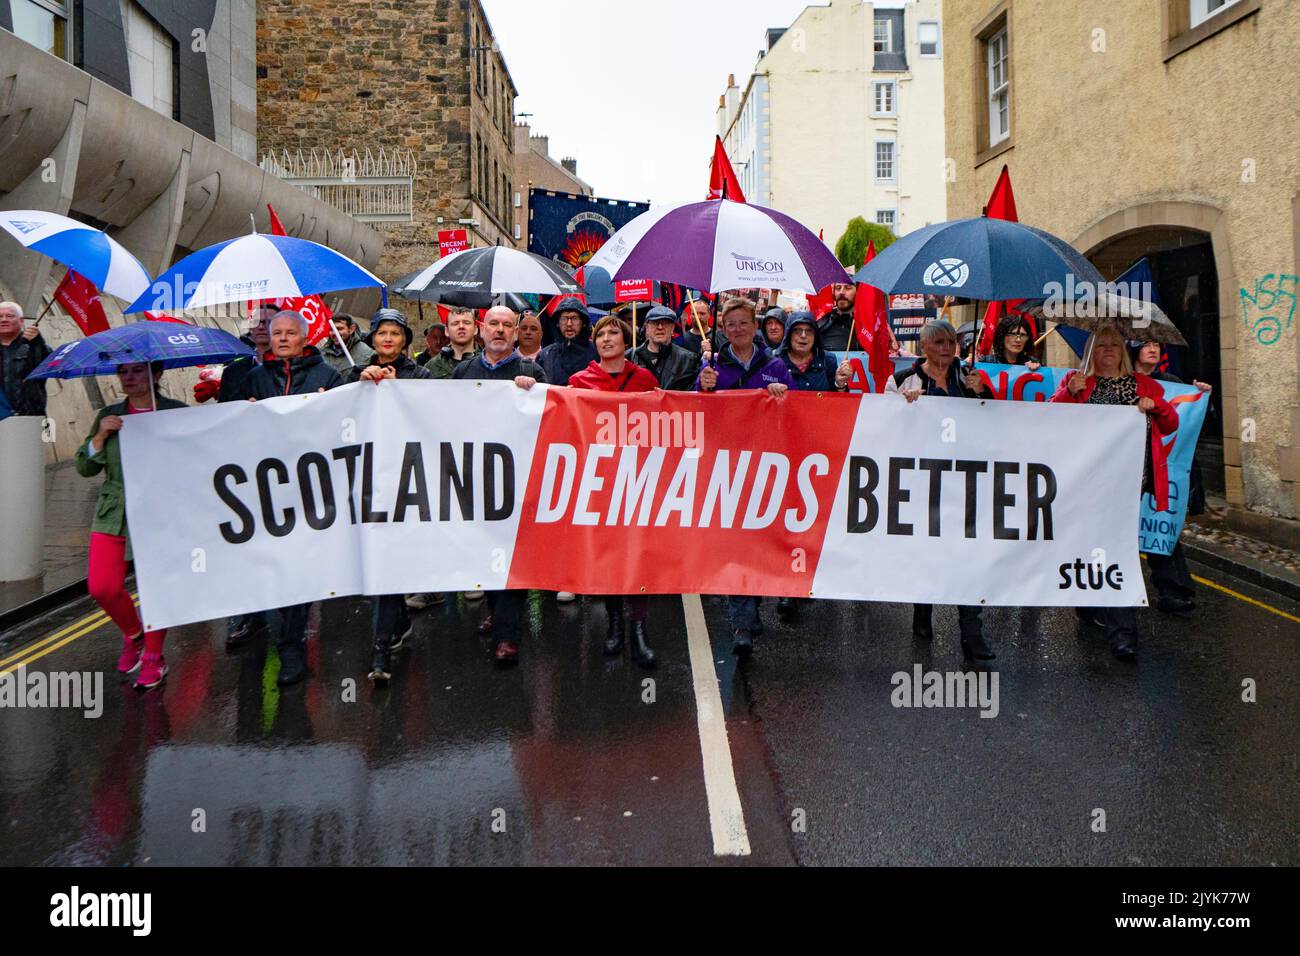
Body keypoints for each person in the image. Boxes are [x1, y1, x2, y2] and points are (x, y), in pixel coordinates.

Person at [1051, 325, 1179, 661]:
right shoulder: (1076, 381)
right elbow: (1050, 418)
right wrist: (1069, 393)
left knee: (1118, 550)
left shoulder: (1143, 384)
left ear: (1122, 350)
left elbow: (1171, 424)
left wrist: (1156, 407)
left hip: (1130, 484)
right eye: (1101, 344)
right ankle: (1089, 603)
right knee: (1093, 546)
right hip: (1089, 483)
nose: (1108, 349)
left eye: (1114, 344)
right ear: (1091, 352)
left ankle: (1123, 634)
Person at [239, 310, 345, 685]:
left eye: (289, 333)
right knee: (273, 568)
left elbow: (345, 428)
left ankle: (292, 650)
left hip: (311, 489)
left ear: (303, 337)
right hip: (267, 490)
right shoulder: (254, 378)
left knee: (298, 571)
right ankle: (271, 628)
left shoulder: (328, 377)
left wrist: (328, 408)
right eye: (276, 332)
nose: (282, 338)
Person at [886, 320, 995, 663]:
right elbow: (882, 423)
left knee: (968, 554)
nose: (947, 348)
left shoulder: (969, 377)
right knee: (929, 551)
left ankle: (971, 633)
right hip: (923, 482)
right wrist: (904, 406)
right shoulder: (904, 379)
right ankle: (923, 607)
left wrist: (983, 394)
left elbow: (998, 423)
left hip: (964, 481)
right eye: (939, 343)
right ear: (924, 347)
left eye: (951, 342)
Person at [76, 361, 186, 690]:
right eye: (124, 372)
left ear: (156, 375)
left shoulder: (175, 412)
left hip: (160, 510)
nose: (130, 378)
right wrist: (100, 436)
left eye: (138, 371)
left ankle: (154, 656)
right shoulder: (109, 414)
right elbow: (84, 468)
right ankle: (135, 636)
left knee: (155, 587)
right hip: (115, 511)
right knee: (102, 586)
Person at [696, 298, 794, 655]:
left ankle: (751, 604)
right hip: (725, 467)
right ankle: (741, 622)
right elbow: (697, 413)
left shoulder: (776, 366)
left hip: (766, 466)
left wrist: (783, 396)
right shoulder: (711, 366)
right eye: (730, 324)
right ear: (723, 330)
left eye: (743, 323)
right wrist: (702, 388)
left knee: (760, 542)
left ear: (755, 326)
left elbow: (799, 413)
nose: (737, 329)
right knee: (734, 544)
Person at [453, 306, 547, 664]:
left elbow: (549, 414)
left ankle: (508, 635)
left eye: (509, 325)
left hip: (518, 479)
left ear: (515, 333)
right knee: (485, 550)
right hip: (475, 477)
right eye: (494, 323)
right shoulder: (464, 372)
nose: (500, 330)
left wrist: (534, 392)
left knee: (513, 554)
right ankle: (496, 609)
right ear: (482, 329)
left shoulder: (530, 370)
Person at [568, 314, 661, 667]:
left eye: (613, 333)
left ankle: (639, 629)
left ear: (626, 341)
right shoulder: (579, 381)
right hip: (600, 481)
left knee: (637, 556)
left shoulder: (644, 379)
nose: (607, 339)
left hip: (637, 479)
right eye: (601, 334)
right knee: (607, 554)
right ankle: (615, 625)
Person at [345, 309, 433, 684]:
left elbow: (435, 416)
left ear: (404, 341)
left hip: (409, 477)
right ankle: (381, 647)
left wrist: (404, 393)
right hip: (370, 478)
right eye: (381, 333)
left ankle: (390, 631)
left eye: (395, 333)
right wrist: (360, 387)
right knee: (380, 556)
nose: (387, 339)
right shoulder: (354, 376)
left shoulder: (422, 376)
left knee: (396, 554)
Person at [1131, 340, 1212, 615]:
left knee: (1159, 527)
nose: (1153, 349)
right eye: (1146, 345)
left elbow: (1198, 421)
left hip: (1158, 468)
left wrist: (1202, 397)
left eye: (1157, 345)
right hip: (1127, 467)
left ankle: (1174, 591)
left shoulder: (1171, 382)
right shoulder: (1122, 380)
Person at [219, 306, 278, 647]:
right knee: (244, 541)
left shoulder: (288, 369)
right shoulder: (236, 370)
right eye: (256, 321)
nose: (260, 327)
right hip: (243, 469)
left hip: (280, 469)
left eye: (268, 323)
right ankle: (244, 612)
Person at [630, 305, 700, 391]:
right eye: (655, 323)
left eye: (665, 323)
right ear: (647, 328)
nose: (660, 327)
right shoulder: (630, 357)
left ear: (672, 328)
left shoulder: (687, 360)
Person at [0, 301, 51, 419]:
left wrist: (37, 342)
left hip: (29, 417)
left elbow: (48, 363)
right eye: (0, 316)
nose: (4, 320)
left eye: (10, 316)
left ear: (21, 320)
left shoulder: (33, 345)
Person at [537, 296, 597, 387]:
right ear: (557, 323)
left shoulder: (597, 352)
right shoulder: (545, 355)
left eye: (574, 318)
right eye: (564, 318)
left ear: (583, 322)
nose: (569, 324)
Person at [426, 307, 480, 378]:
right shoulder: (431, 367)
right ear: (447, 331)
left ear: (476, 329)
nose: (461, 326)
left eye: (466, 323)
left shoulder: (488, 363)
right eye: (455, 323)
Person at [817, 284, 857, 351]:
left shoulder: (866, 323)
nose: (841, 292)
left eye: (848, 288)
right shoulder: (822, 320)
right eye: (838, 288)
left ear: (858, 291)